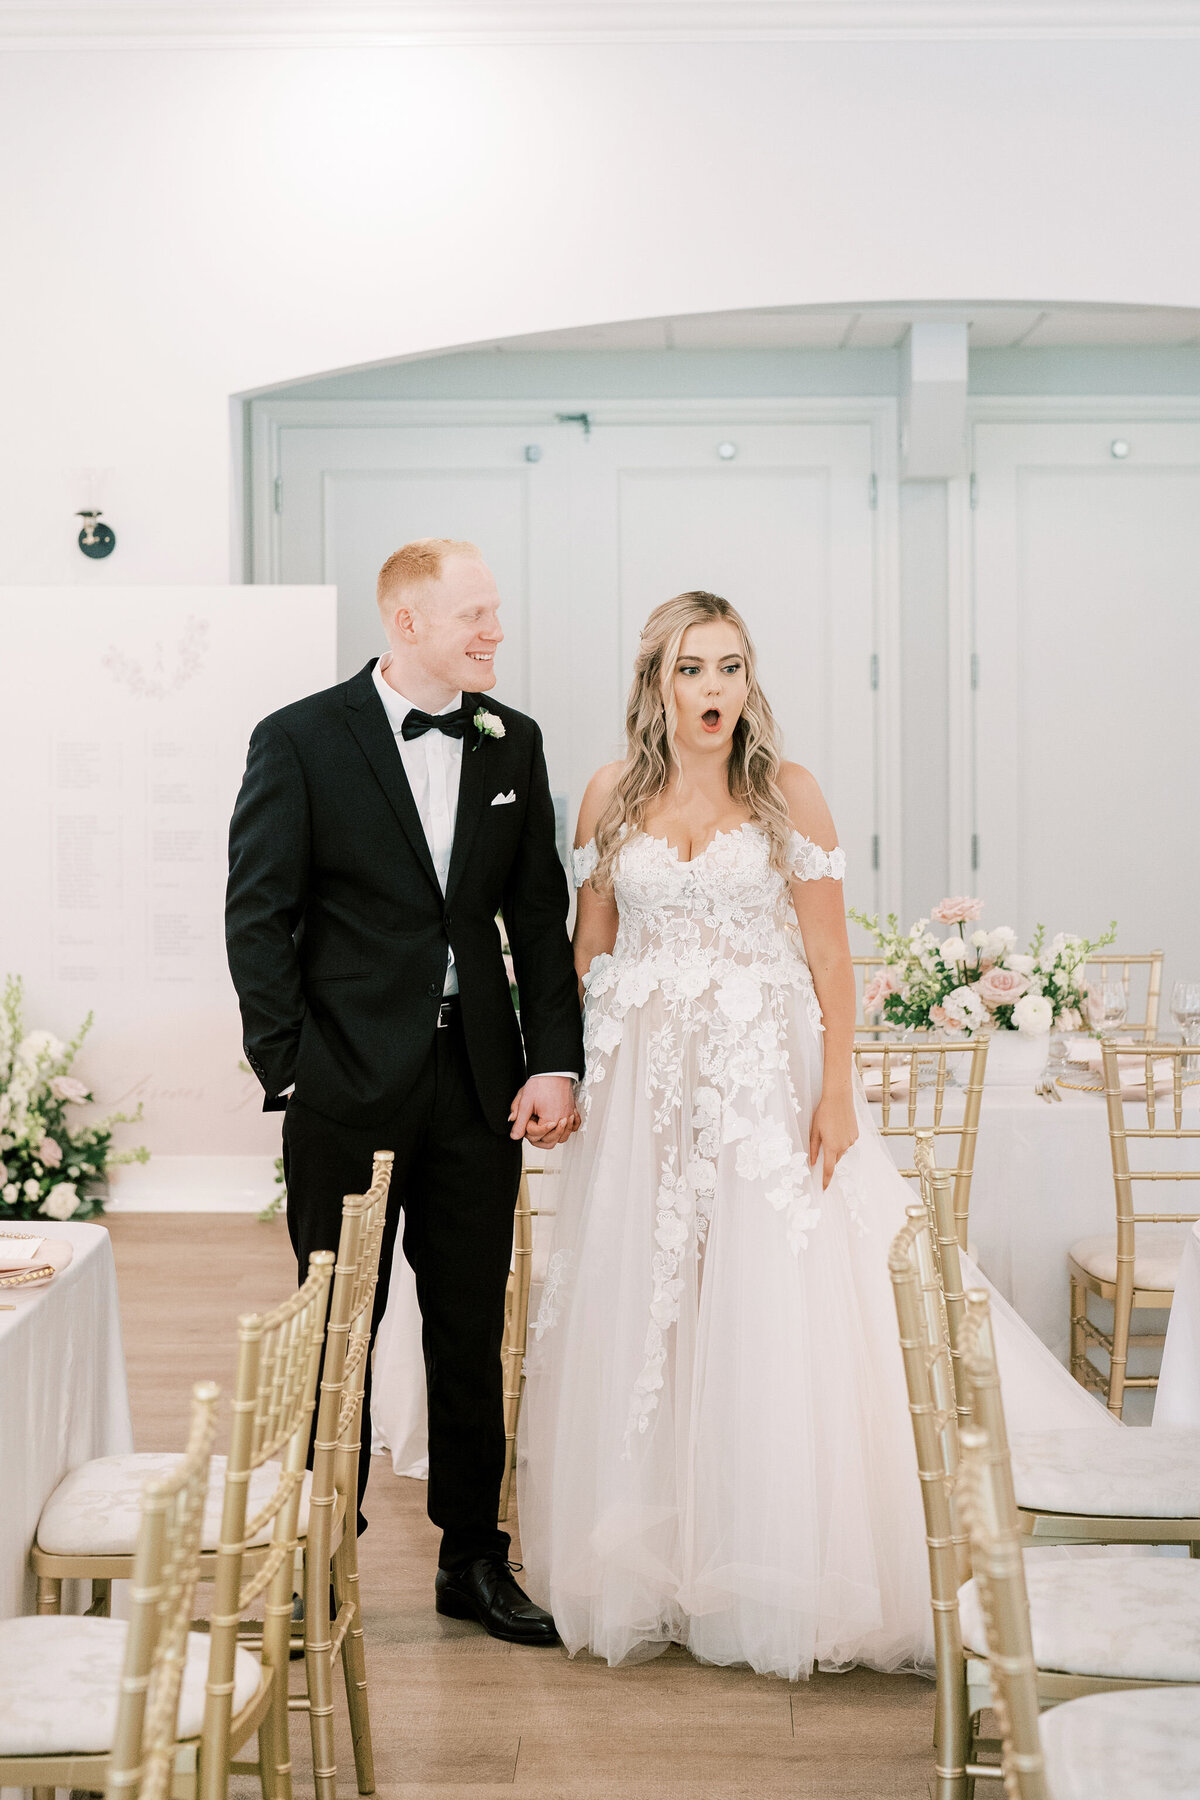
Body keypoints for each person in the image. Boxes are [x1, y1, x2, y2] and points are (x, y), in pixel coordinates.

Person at [518, 588, 1109, 1680]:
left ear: (751, 679)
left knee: (769, 1293)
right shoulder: (609, 793)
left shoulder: (788, 793)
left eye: (731, 667)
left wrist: (836, 1091)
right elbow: (586, 947)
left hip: (763, 1075)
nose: (714, 690)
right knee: (654, 1302)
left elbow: (831, 960)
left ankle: (781, 1553)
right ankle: (662, 1554)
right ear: (657, 682)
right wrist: (572, 1068)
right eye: (693, 669)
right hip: (644, 1082)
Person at [226, 537, 583, 1646]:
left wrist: (553, 1061)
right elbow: (258, 915)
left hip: (480, 1086)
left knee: (471, 1330)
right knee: (335, 1325)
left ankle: (472, 1559)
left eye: (494, 614)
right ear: (407, 623)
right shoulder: (299, 739)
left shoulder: (509, 738)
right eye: (474, 615)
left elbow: (536, 919)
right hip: (347, 1085)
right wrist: (294, 1068)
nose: (494, 633)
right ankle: (312, 1552)